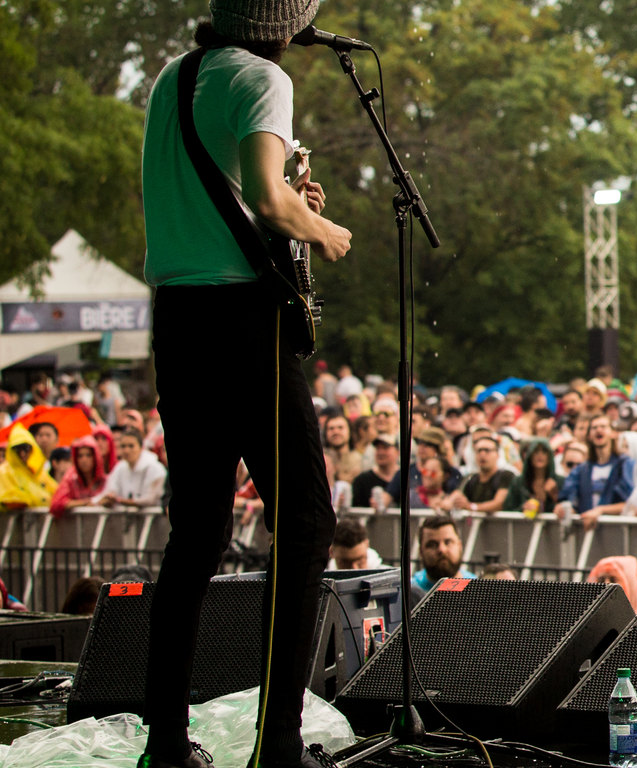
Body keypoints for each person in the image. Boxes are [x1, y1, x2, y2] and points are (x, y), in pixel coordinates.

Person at [135, 7, 358, 766]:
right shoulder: (262, 77)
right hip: (240, 322)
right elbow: (268, 197)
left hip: (179, 319)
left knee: (196, 532)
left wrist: (293, 211)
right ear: (288, 26)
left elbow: (226, 206)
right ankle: (280, 744)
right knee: (303, 522)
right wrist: (319, 230)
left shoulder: (175, 77)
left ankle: (165, 742)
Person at [554, 416, 634, 524]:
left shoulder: (624, 464)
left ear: (613, 433)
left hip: (615, 531)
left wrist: (600, 511)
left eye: (603, 427)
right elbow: (570, 498)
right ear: (589, 436)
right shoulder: (582, 469)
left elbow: (631, 503)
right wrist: (564, 508)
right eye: (594, 427)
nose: (598, 430)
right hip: (586, 532)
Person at [448, 435, 516, 514]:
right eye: (479, 451)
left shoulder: (506, 476)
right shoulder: (470, 478)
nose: (482, 454)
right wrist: (447, 503)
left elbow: (499, 504)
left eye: (487, 450)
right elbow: (456, 495)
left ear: (497, 454)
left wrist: (471, 507)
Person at [50, 435, 110, 517]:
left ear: (96, 457)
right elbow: (56, 504)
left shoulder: (105, 480)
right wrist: (85, 502)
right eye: (80, 456)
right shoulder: (71, 478)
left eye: (88, 455)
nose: (84, 460)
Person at [413, 515, 477, 590]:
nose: (441, 550)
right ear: (420, 551)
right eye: (432, 545)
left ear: (460, 546)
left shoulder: (477, 588)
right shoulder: (407, 593)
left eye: (448, 542)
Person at [0, 429, 56, 509]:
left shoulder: (36, 470)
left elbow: (55, 491)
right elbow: (9, 499)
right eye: (17, 449)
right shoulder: (4, 471)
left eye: (26, 448)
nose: (22, 453)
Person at [350, 437, 399, 508]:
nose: (380, 452)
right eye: (378, 448)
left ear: (397, 452)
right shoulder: (362, 480)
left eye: (385, 448)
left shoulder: (405, 477)